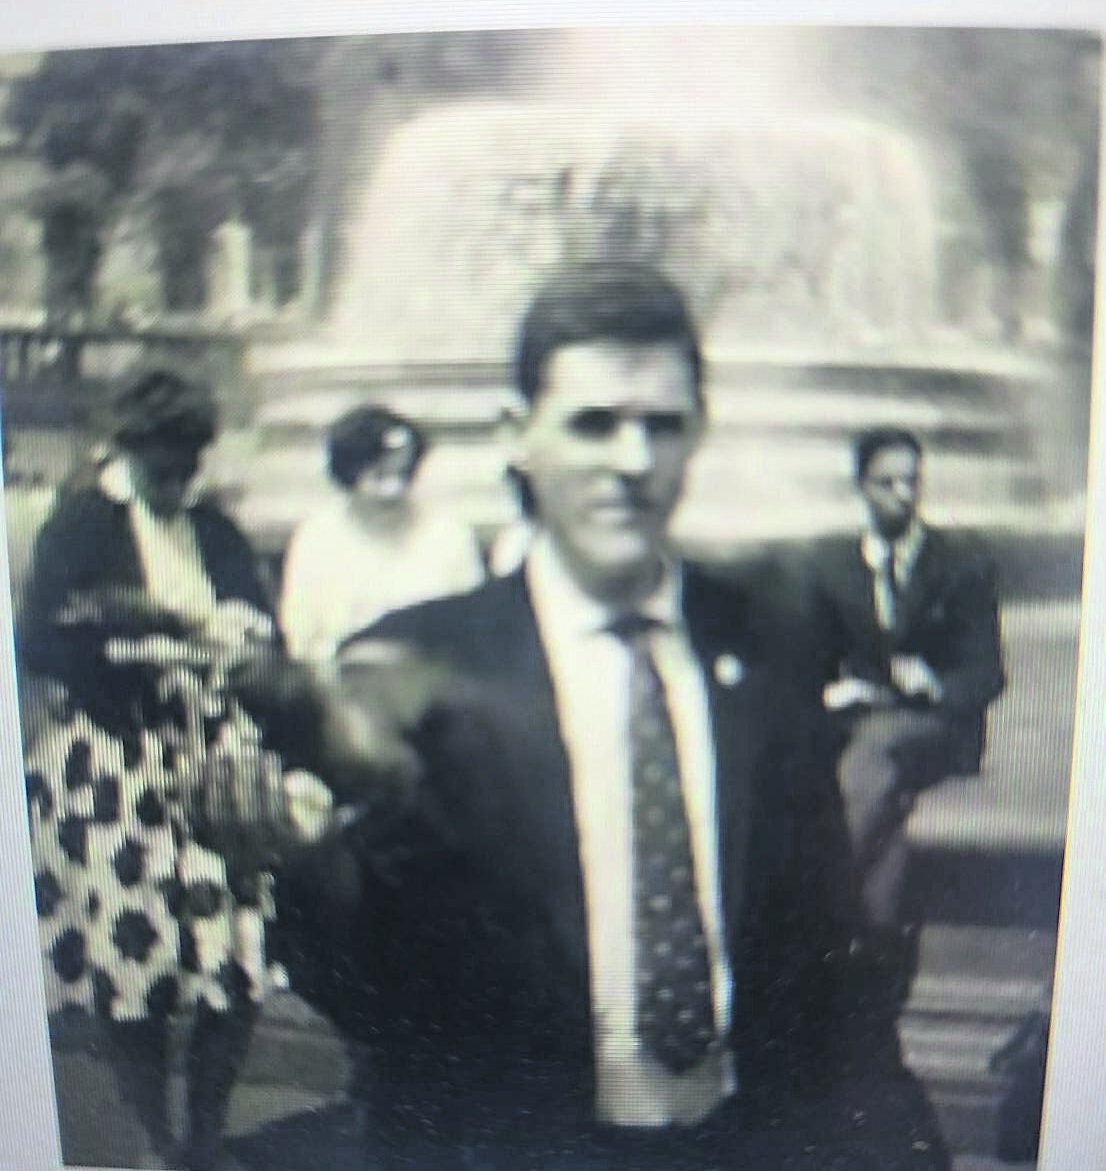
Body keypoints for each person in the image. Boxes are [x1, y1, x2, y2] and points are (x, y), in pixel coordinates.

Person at [266, 263, 951, 1170]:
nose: (632, 461)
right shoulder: (420, 668)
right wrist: (296, 860)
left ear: (698, 432)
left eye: (661, 426)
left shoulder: (771, 639)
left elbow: (808, 939)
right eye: (593, 424)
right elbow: (378, 997)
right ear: (520, 437)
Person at [19, 367, 328, 1171]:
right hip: (113, 762)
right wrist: (140, 637)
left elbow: (260, 634)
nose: (177, 485)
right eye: (163, 470)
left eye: (189, 468)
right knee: (135, 962)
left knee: (239, 951)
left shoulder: (215, 532)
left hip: (212, 763)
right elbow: (39, 639)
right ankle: (157, 1138)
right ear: (129, 454)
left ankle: (203, 1131)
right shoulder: (84, 524)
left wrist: (242, 641)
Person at [807, 427, 1005, 926]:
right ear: (859, 488)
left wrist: (936, 684)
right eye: (886, 483)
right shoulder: (832, 566)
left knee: (876, 749)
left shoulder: (963, 561)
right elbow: (810, 662)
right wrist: (835, 690)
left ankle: (813, 905)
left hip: (938, 729)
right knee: (881, 799)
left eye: (912, 481)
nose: (904, 495)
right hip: (857, 727)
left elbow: (989, 673)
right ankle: (869, 956)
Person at [278, 405, 485, 663]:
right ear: (348, 475)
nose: (393, 489)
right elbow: (301, 641)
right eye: (380, 476)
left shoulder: (450, 535)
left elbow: (472, 633)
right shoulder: (315, 540)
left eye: (403, 475)